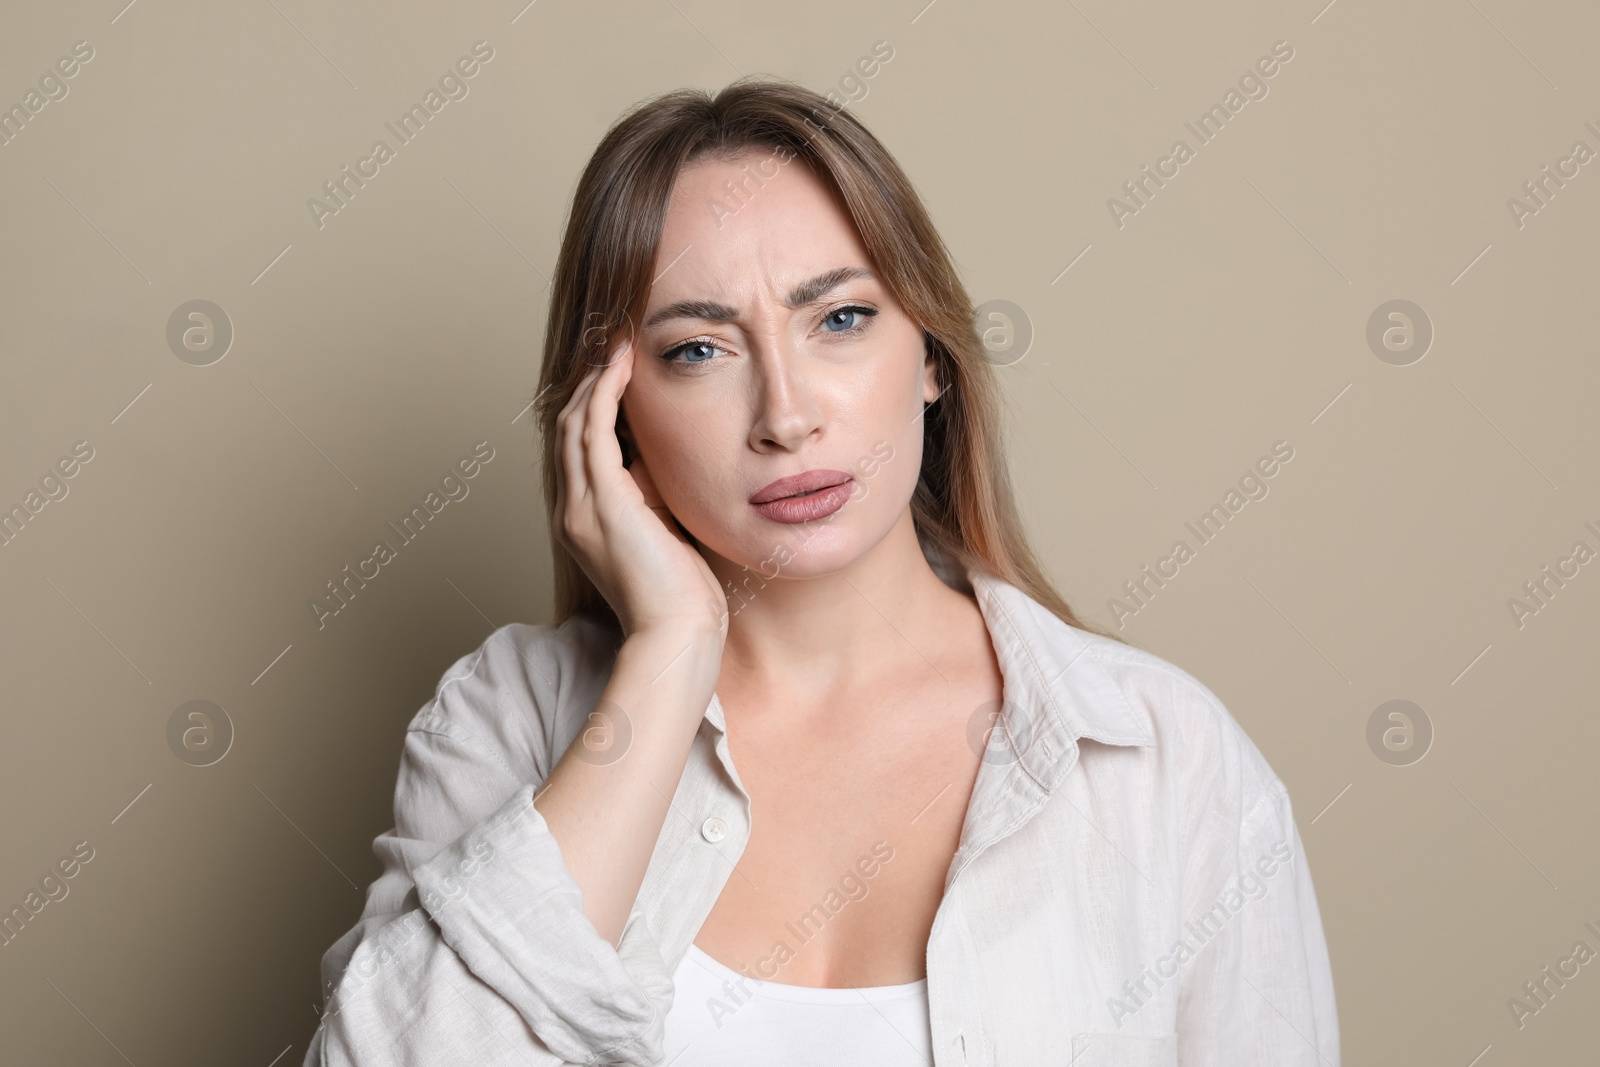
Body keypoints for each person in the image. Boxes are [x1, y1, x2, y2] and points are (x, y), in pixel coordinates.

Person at [303, 76, 1339, 1066]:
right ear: (611, 412)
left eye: (839, 318)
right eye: (698, 350)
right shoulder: (509, 718)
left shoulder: (1160, 761)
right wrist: (667, 659)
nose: (786, 415)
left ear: (931, 357)